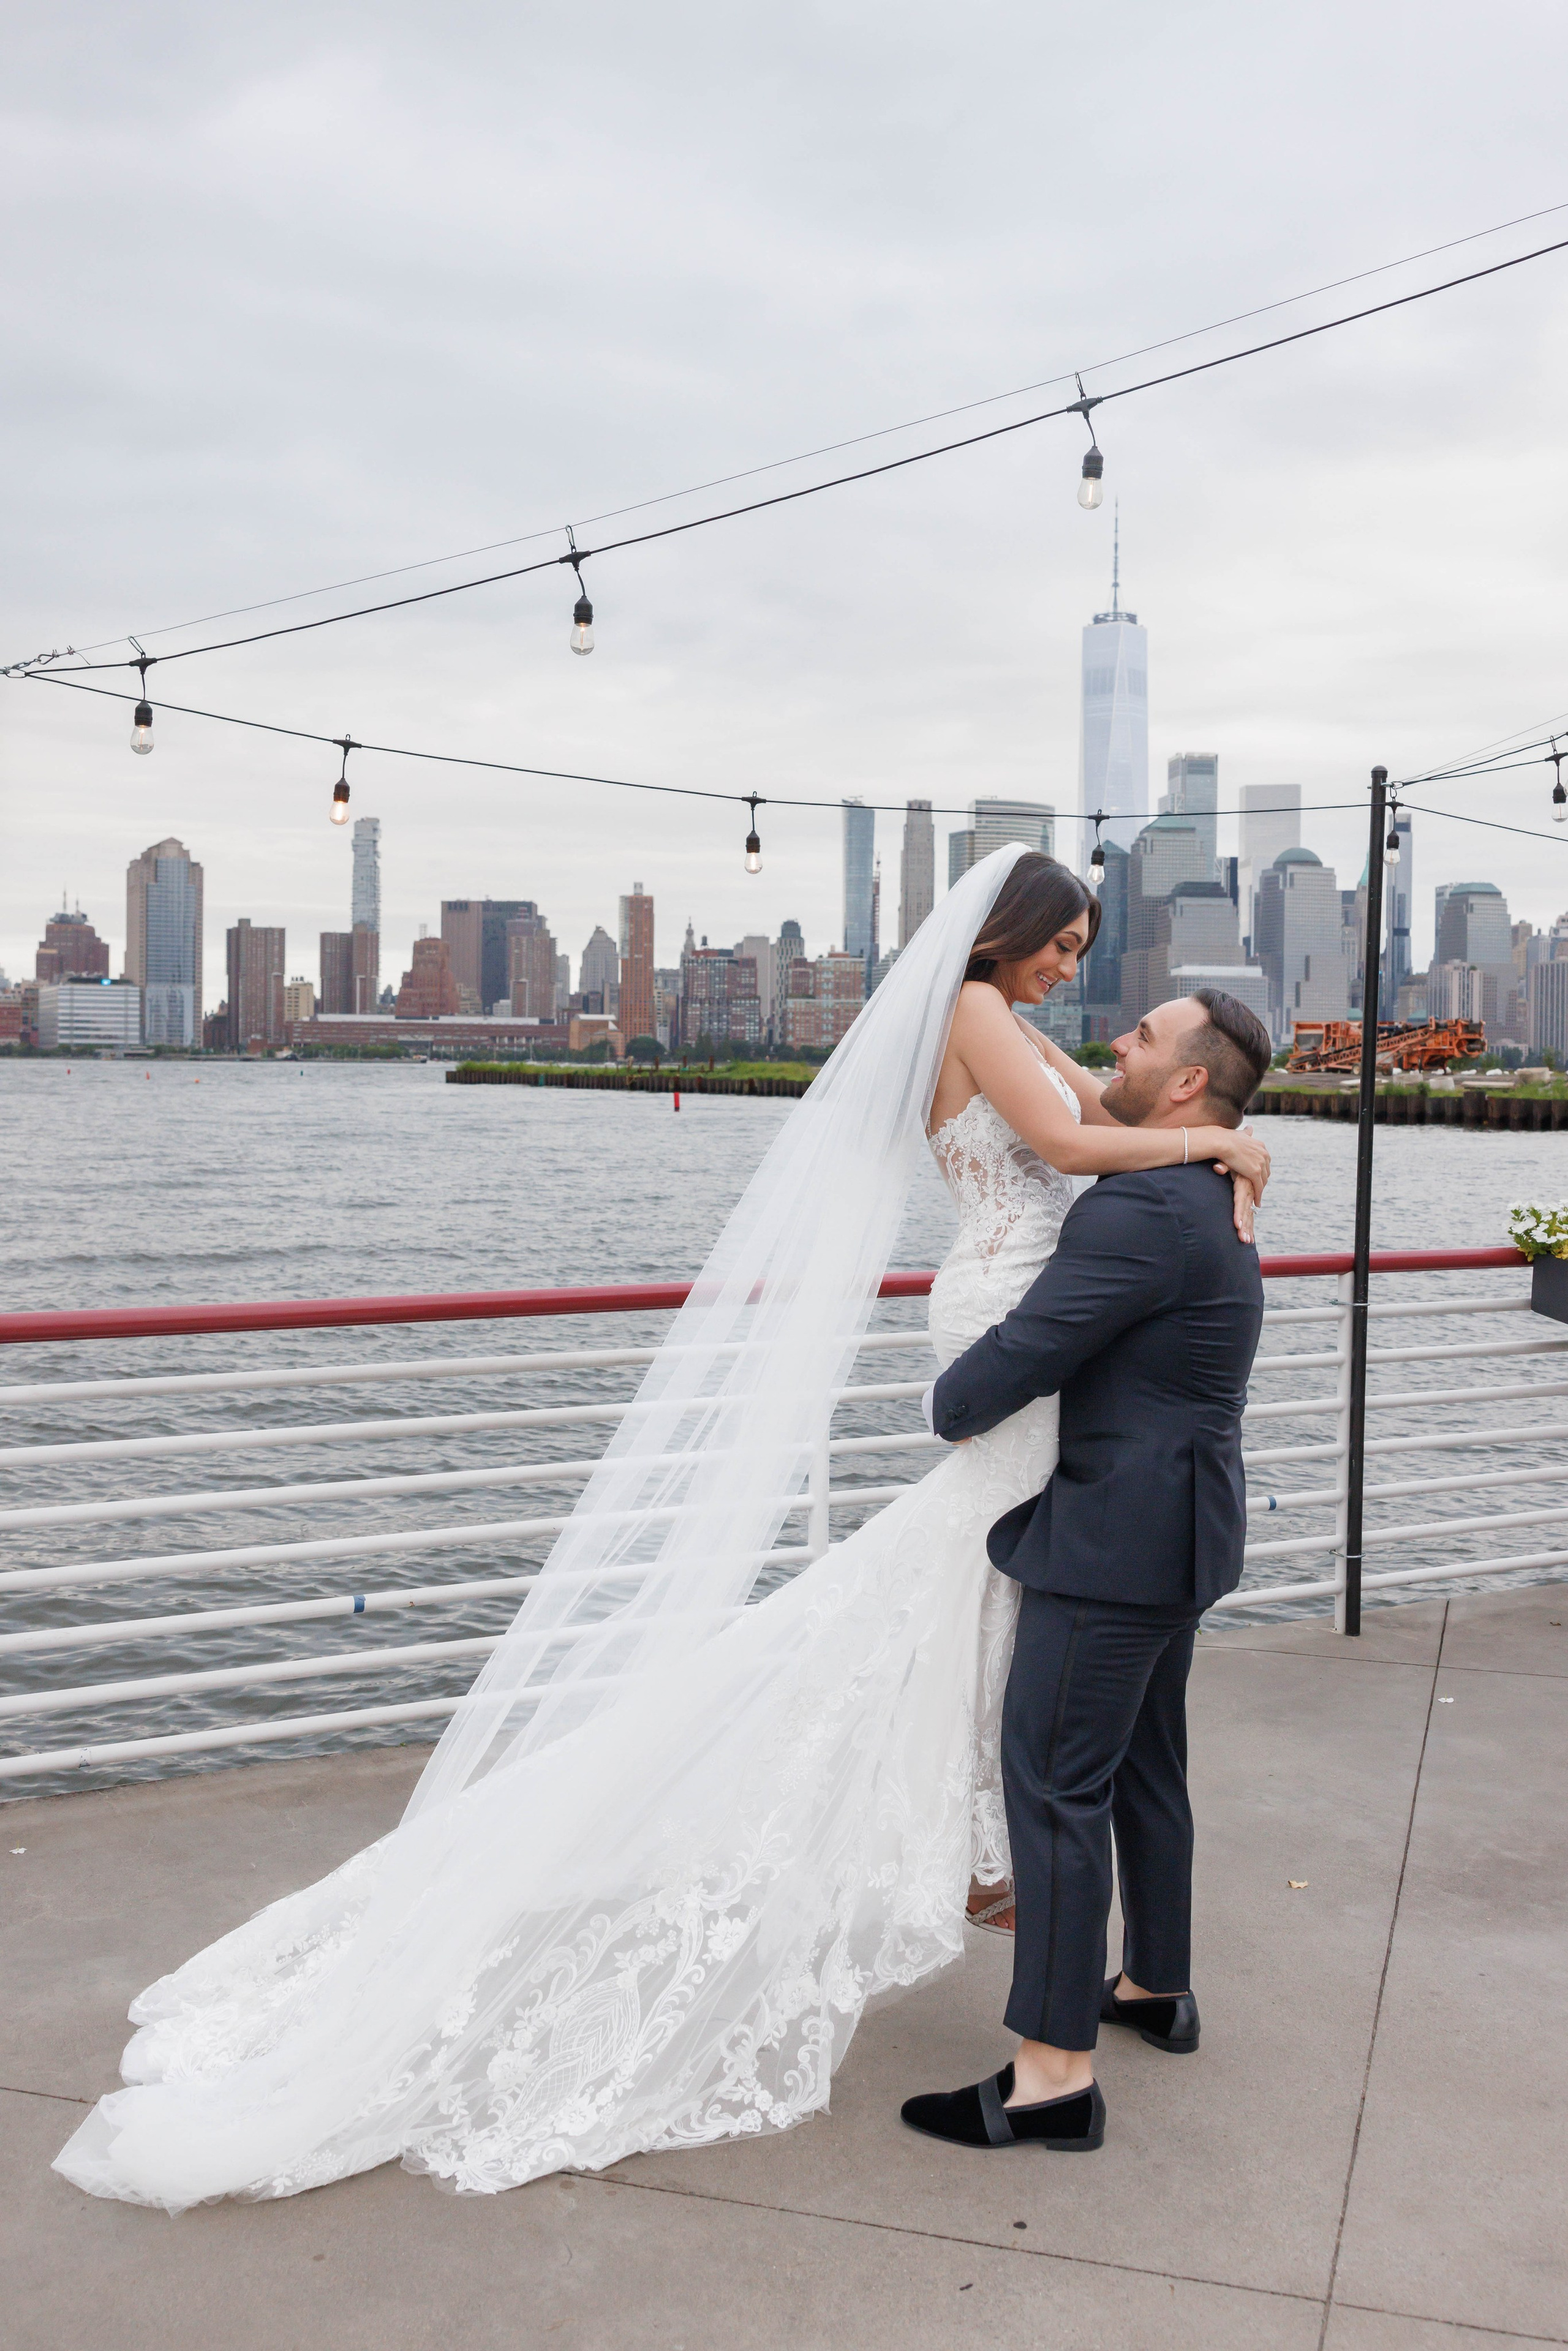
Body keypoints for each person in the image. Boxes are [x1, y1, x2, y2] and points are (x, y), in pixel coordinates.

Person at [55, 850, 1269, 2212]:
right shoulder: (978, 1013)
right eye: (1062, 947)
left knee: (989, 1621)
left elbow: (1099, 1103)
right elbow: (1059, 1146)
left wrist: (1215, 1127)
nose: (1079, 980)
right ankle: (1013, 1879)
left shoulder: (1019, 1021)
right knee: (994, 1619)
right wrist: (1209, 1137)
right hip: (1006, 1318)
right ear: (1009, 934)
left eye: (1095, 968)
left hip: (1052, 1377)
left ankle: (1021, 1884)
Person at [900, 987, 1272, 2156]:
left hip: (1113, 1541)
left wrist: (946, 1403)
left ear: (1184, 1088)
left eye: (1144, 1037)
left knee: (1054, 1785)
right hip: (1187, 1532)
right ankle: (1157, 1984)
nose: (1119, 1040)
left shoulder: (1138, 1214)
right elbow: (1073, 1083)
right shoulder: (1209, 1188)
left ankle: (1052, 2077)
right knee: (1145, 1766)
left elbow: (1032, 1344)